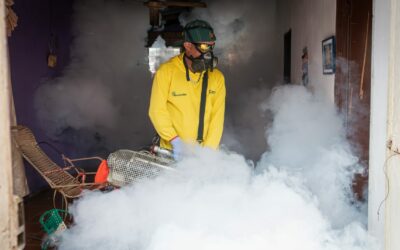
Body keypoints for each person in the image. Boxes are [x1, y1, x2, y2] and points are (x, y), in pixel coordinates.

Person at [148, 19, 226, 160]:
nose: (209, 53)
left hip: (203, 154)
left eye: (211, 46)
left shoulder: (217, 78)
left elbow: (217, 120)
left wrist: (207, 154)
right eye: (203, 46)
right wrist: (175, 141)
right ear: (188, 45)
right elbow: (156, 111)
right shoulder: (166, 72)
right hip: (170, 152)